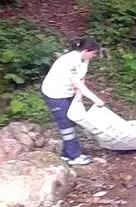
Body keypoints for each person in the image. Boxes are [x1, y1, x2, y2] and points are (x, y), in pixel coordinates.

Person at [40, 38, 105, 166]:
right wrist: (95, 99)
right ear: (86, 51)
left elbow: (82, 79)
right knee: (66, 125)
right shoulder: (70, 61)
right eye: (94, 53)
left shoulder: (84, 59)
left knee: (71, 121)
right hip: (55, 94)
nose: (95, 56)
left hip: (68, 92)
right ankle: (74, 156)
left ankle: (66, 154)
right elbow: (77, 83)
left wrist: (78, 97)